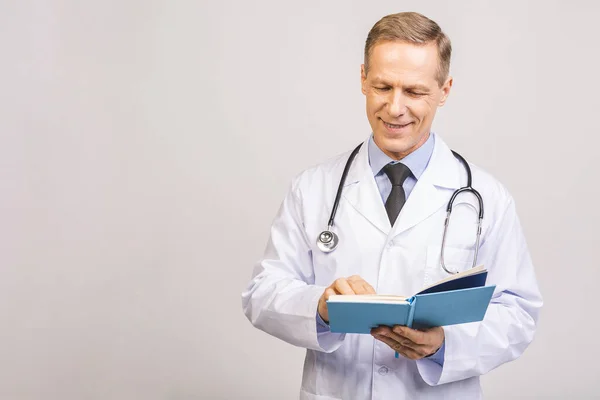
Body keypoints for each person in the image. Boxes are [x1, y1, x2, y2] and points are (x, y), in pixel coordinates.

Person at [241, 11, 542, 400]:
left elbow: (518, 313)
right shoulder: (313, 188)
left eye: (414, 92)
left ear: (445, 90)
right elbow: (262, 293)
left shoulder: (487, 197)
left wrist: (443, 344)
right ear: (363, 78)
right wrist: (321, 306)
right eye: (383, 86)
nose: (395, 108)